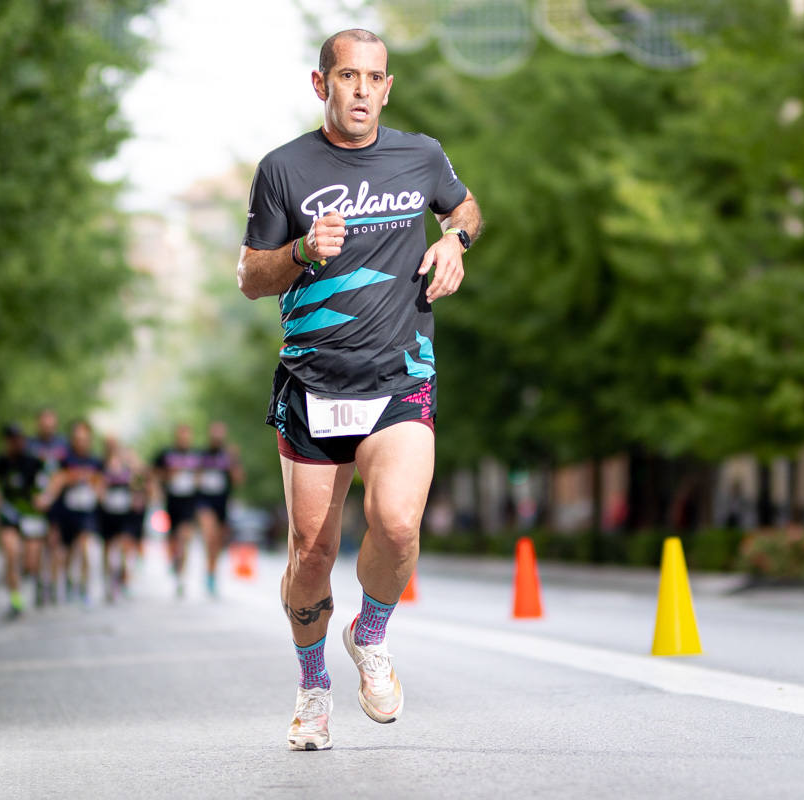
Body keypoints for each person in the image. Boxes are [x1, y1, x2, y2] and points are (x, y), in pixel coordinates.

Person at [237, 28, 482, 751]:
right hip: (313, 383)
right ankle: (313, 691)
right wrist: (299, 250)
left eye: (375, 78)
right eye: (349, 77)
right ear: (323, 86)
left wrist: (453, 241)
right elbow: (251, 277)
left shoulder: (422, 154)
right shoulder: (283, 169)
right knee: (311, 551)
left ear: (389, 86)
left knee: (399, 522)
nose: (363, 92)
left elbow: (465, 208)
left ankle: (369, 633)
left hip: (398, 377)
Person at [0, 424, 46, 619]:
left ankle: (36, 580)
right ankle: (15, 600)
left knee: (31, 563)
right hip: (9, 516)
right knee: (10, 552)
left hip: (31, 516)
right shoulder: (1, 461)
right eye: (12, 439)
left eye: (19, 439)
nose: (16, 443)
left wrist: (43, 498)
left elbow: (47, 483)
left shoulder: (33, 461)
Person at [37, 420, 104, 605]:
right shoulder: (64, 459)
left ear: (89, 440)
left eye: (84, 439)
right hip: (65, 510)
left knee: (84, 546)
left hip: (86, 511)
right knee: (65, 551)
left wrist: (99, 493)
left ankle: (84, 588)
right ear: (72, 439)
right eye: (77, 438)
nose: (81, 442)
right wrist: (47, 497)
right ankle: (65, 580)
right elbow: (56, 481)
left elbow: (100, 484)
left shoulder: (95, 461)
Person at [195, 421, 245, 597]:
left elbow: (238, 480)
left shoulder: (228, 455)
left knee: (217, 541)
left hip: (222, 502)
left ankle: (211, 572)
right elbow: (194, 479)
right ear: (209, 436)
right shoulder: (201, 454)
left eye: (220, 435)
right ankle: (209, 572)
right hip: (204, 501)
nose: (217, 438)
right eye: (214, 435)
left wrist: (233, 461)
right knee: (209, 536)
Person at [152, 424, 202, 597]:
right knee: (173, 538)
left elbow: (203, 474)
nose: (184, 439)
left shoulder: (196, 455)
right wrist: (167, 476)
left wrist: (197, 479)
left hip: (189, 501)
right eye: (181, 435)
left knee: (185, 536)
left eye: (187, 435)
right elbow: (154, 474)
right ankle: (174, 560)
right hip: (172, 501)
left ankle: (181, 576)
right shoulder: (166, 454)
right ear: (176, 437)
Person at [26, 408, 69, 604]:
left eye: (51, 423)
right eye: (44, 423)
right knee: (35, 544)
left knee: (54, 542)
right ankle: (37, 581)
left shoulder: (63, 445)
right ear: (38, 423)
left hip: (57, 500)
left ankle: (51, 583)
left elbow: (67, 473)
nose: (48, 426)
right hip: (34, 501)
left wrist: (51, 495)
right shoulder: (29, 445)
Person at [99, 435, 140, 602]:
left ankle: (124, 580)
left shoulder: (127, 466)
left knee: (125, 546)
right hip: (107, 512)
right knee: (108, 548)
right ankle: (109, 582)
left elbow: (138, 482)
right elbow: (97, 486)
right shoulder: (100, 465)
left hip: (124, 512)